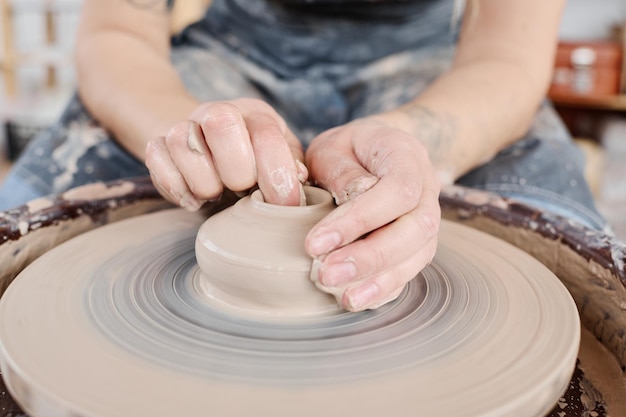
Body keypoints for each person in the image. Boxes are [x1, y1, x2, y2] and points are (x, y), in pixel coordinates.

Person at [0, 0, 608, 311]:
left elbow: (507, 55)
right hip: (230, 53)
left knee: (568, 254)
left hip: (436, 68)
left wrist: (421, 140)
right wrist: (183, 132)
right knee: (30, 228)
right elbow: (117, 34)